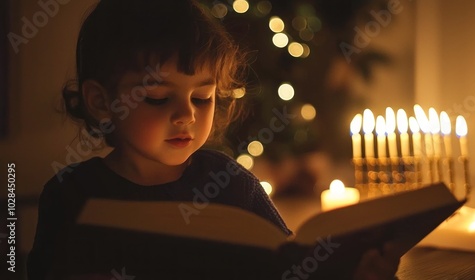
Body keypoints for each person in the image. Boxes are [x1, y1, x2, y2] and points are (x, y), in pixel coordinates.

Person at [27, 0, 401, 279]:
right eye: (158, 97)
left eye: (202, 97)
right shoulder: (70, 194)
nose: (187, 115)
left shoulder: (231, 184)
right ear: (101, 100)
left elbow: (293, 263)